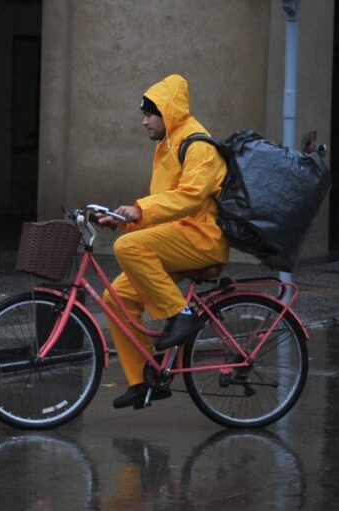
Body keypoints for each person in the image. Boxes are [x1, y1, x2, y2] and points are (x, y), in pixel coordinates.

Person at [97, 74, 229, 409]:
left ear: (167, 112)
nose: (143, 122)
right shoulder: (168, 144)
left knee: (128, 248)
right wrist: (125, 217)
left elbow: (190, 197)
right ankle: (144, 380)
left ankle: (180, 313)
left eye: (149, 114)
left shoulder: (198, 145)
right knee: (115, 298)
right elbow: (164, 205)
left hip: (202, 238)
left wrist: (139, 211)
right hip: (179, 237)